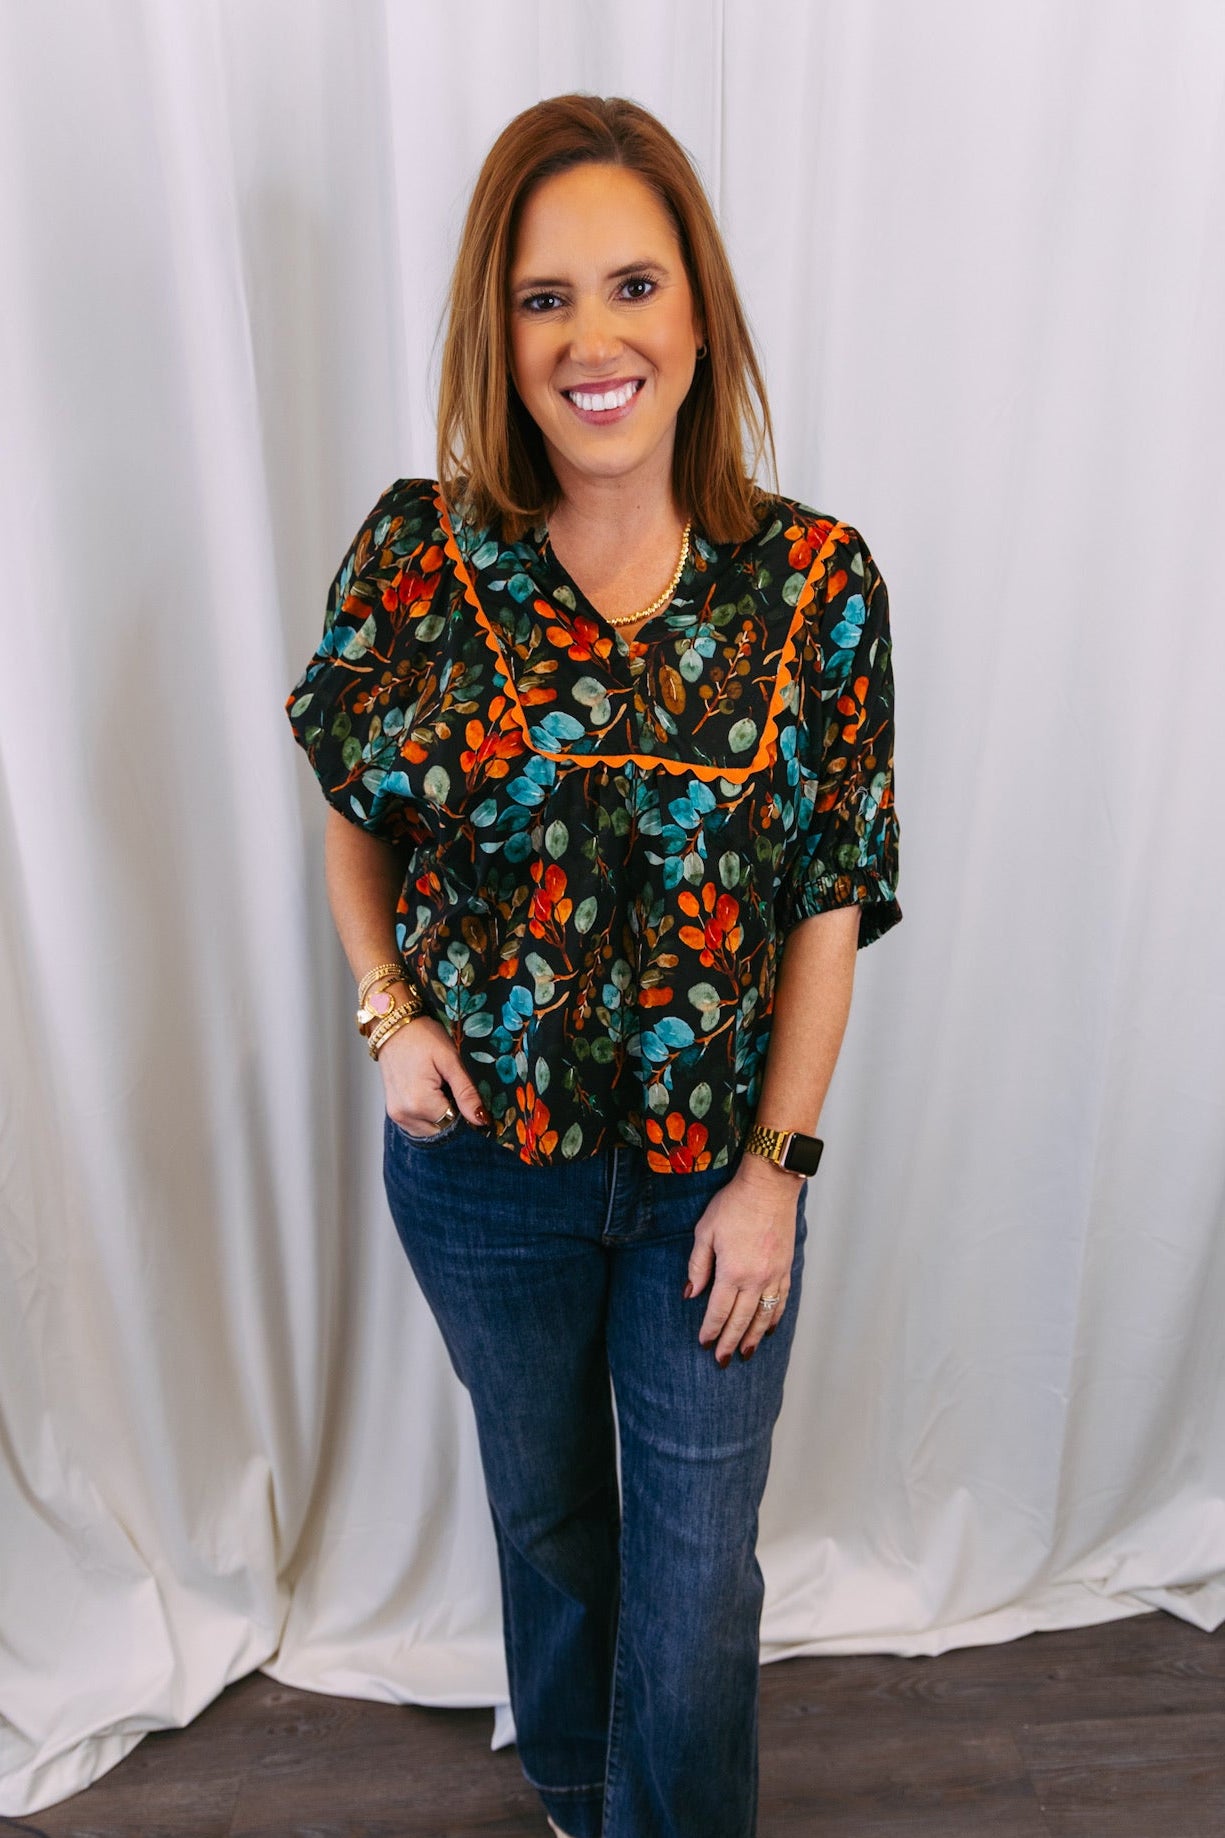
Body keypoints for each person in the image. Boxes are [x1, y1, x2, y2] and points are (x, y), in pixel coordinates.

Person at [287, 92, 900, 1838]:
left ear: (697, 317)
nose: (592, 338)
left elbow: (827, 902)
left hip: (720, 1177)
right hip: (484, 1175)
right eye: (545, 297)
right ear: (502, 328)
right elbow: (357, 808)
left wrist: (776, 1172)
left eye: (631, 286)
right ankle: (571, 1784)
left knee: (696, 1579)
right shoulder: (423, 552)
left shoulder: (812, 588)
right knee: (550, 1512)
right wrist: (386, 1011)